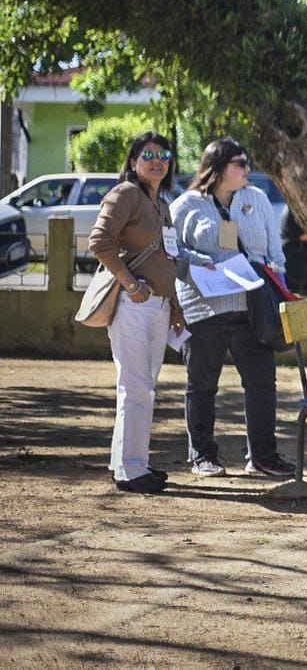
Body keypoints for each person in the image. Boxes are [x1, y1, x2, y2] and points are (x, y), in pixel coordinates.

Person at [170, 138, 296, 478]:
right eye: (240, 163)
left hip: (252, 307)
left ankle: (263, 457)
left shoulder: (256, 199)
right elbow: (173, 255)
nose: (247, 169)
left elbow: (275, 253)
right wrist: (201, 264)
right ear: (218, 167)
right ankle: (203, 456)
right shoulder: (186, 206)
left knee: (262, 383)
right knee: (202, 385)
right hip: (204, 307)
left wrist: (276, 281)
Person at [88, 131, 187, 494]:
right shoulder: (125, 194)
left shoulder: (162, 202)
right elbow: (99, 241)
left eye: (164, 154)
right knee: (136, 388)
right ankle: (132, 471)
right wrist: (130, 284)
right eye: (148, 154)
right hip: (133, 305)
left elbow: (168, 257)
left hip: (160, 307)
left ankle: (128, 464)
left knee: (142, 388)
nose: (157, 160)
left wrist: (175, 305)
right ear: (133, 161)